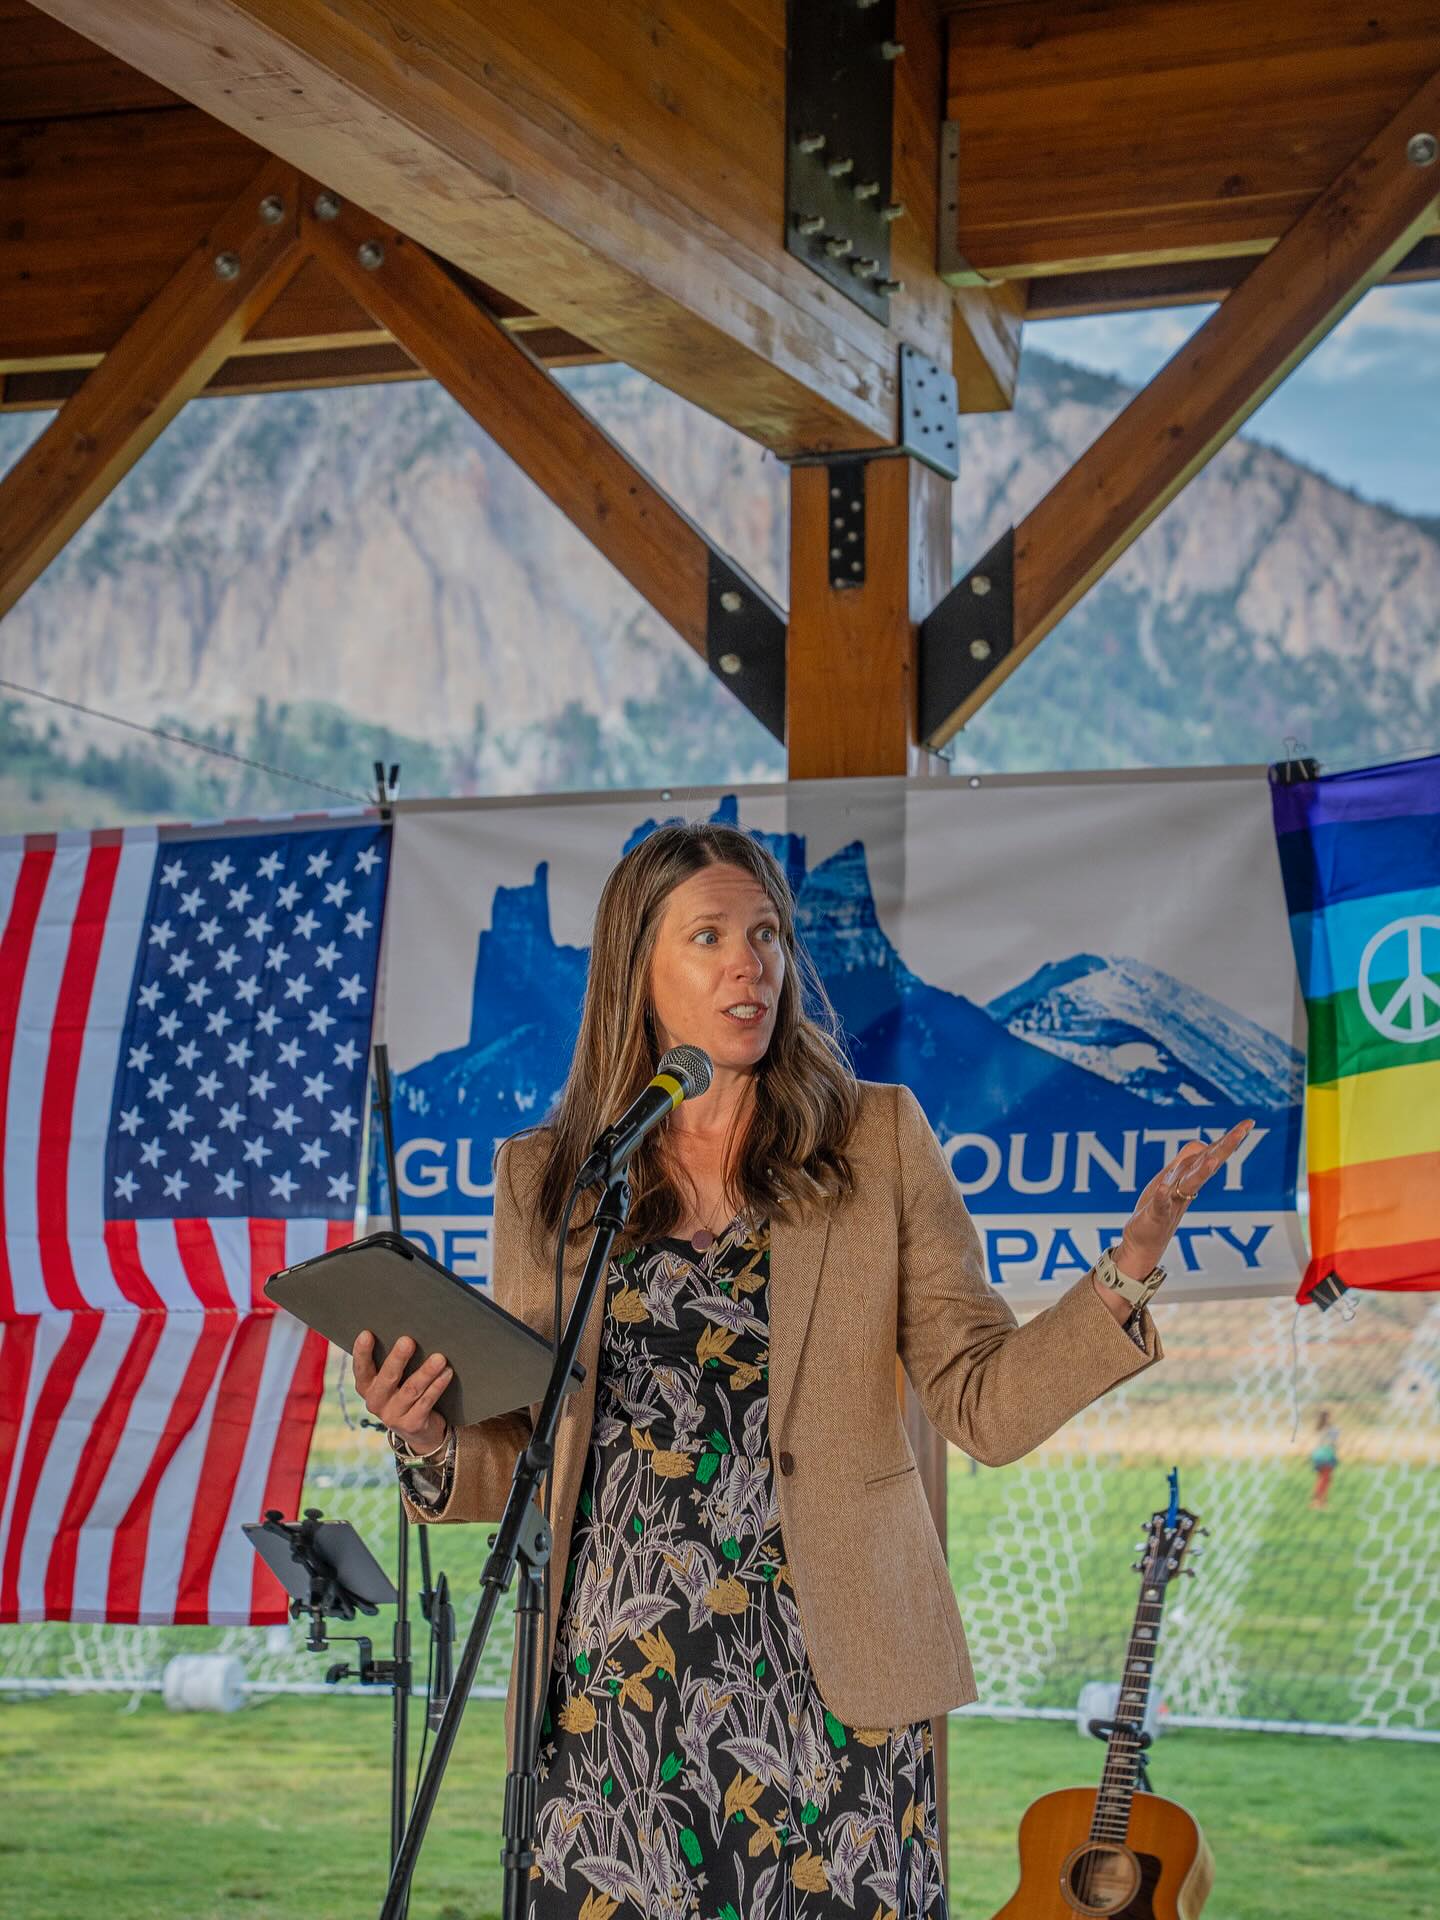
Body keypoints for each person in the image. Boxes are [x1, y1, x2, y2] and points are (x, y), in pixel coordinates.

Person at [354, 821, 1254, 1919]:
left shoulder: (875, 1141)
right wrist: (431, 1437)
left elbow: (983, 1401)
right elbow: (527, 1455)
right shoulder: (550, 1176)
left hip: (830, 1695)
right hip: (610, 1705)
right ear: (638, 969)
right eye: (711, 937)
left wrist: (1130, 1267)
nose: (752, 962)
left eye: (768, 934)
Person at [1309, 1408, 1340, 1509]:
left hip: (1321, 1454)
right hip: (1325, 1455)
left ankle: (1321, 1501)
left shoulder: (1320, 1428)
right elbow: (1332, 1442)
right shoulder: (1328, 1429)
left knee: (1325, 1479)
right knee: (1324, 1478)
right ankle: (1317, 1501)